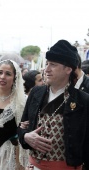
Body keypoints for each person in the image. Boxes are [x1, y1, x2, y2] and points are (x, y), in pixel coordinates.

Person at [18, 40, 89, 170]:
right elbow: (22, 126)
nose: (46, 69)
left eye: (53, 65)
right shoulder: (36, 93)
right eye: (46, 64)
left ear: (68, 69)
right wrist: (25, 136)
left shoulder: (83, 100)